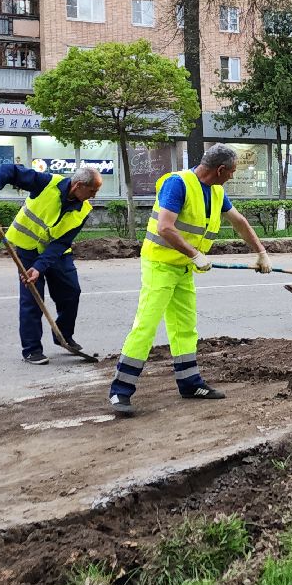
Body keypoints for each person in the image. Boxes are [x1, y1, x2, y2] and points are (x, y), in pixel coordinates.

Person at [108, 144, 271, 416]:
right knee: (145, 327)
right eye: (231, 172)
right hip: (160, 266)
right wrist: (196, 255)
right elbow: (165, 227)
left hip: (183, 269)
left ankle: (190, 383)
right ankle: (120, 391)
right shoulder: (177, 184)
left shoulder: (216, 191)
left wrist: (261, 252)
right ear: (220, 170)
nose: (232, 176)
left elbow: (239, 221)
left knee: (185, 327)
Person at [0, 164, 103, 365]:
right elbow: (8, 171)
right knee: (32, 297)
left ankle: (62, 335)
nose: (94, 196)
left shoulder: (83, 209)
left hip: (56, 253)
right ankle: (31, 349)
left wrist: (40, 267)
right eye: (92, 191)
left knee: (71, 291)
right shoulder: (46, 183)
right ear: (78, 185)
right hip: (27, 248)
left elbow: (62, 242)